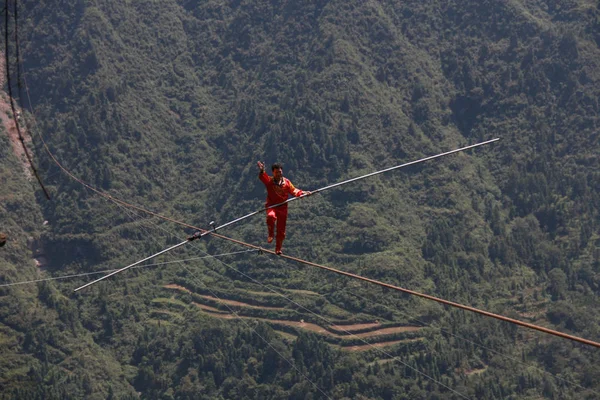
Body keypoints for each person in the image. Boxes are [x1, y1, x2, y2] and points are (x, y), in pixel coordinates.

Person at [257, 161, 310, 255]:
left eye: (280, 172)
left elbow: (294, 191)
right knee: (271, 216)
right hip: (272, 206)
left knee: (281, 230)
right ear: (273, 173)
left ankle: (278, 249)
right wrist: (262, 170)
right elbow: (263, 177)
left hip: (283, 207)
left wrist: (304, 193)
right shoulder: (270, 181)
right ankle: (270, 234)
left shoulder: (287, 182)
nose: (279, 174)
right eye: (276, 172)